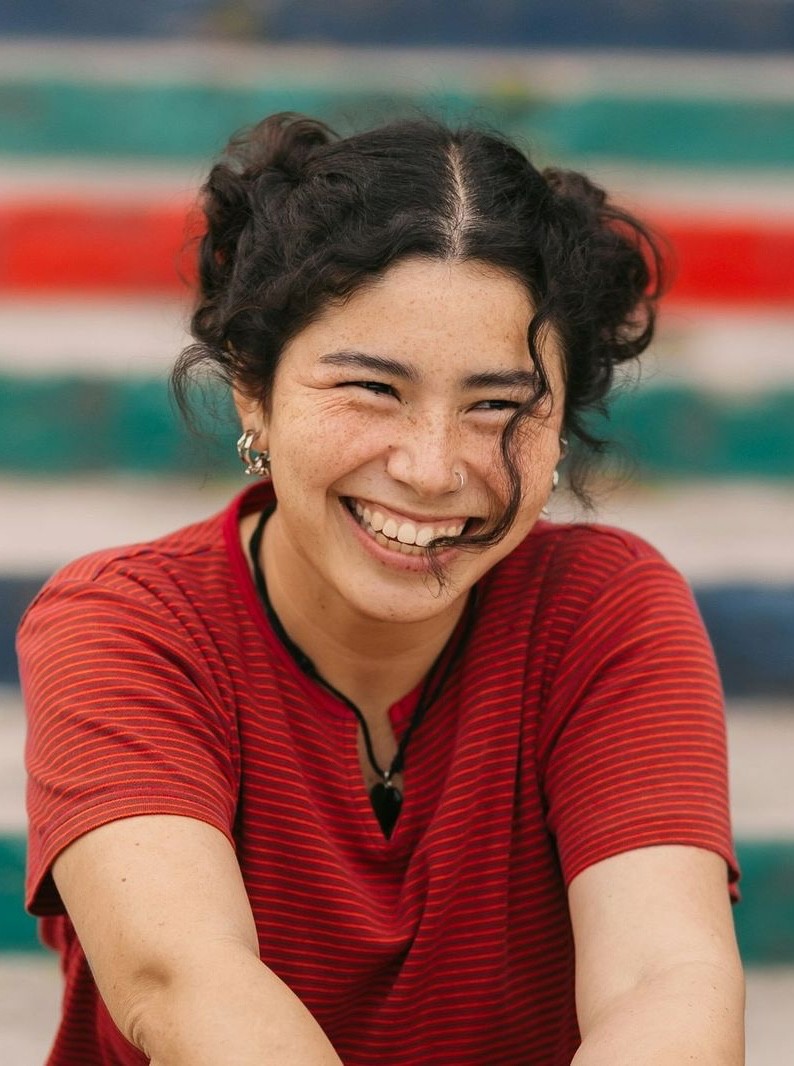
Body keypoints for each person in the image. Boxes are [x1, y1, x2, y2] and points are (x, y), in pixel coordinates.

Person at [18, 112, 744, 1065]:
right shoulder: (129, 626)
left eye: (499, 406)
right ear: (252, 384)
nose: (435, 468)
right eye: (370, 389)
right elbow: (185, 982)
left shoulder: (603, 611)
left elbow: (668, 984)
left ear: (564, 419)